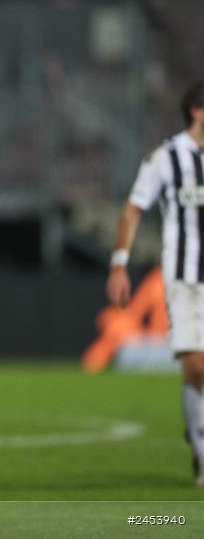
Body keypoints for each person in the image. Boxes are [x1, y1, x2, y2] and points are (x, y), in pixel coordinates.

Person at [107, 80, 204, 488]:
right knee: (197, 366)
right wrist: (119, 265)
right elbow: (132, 212)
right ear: (197, 111)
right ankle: (202, 450)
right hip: (185, 278)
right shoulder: (166, 157)